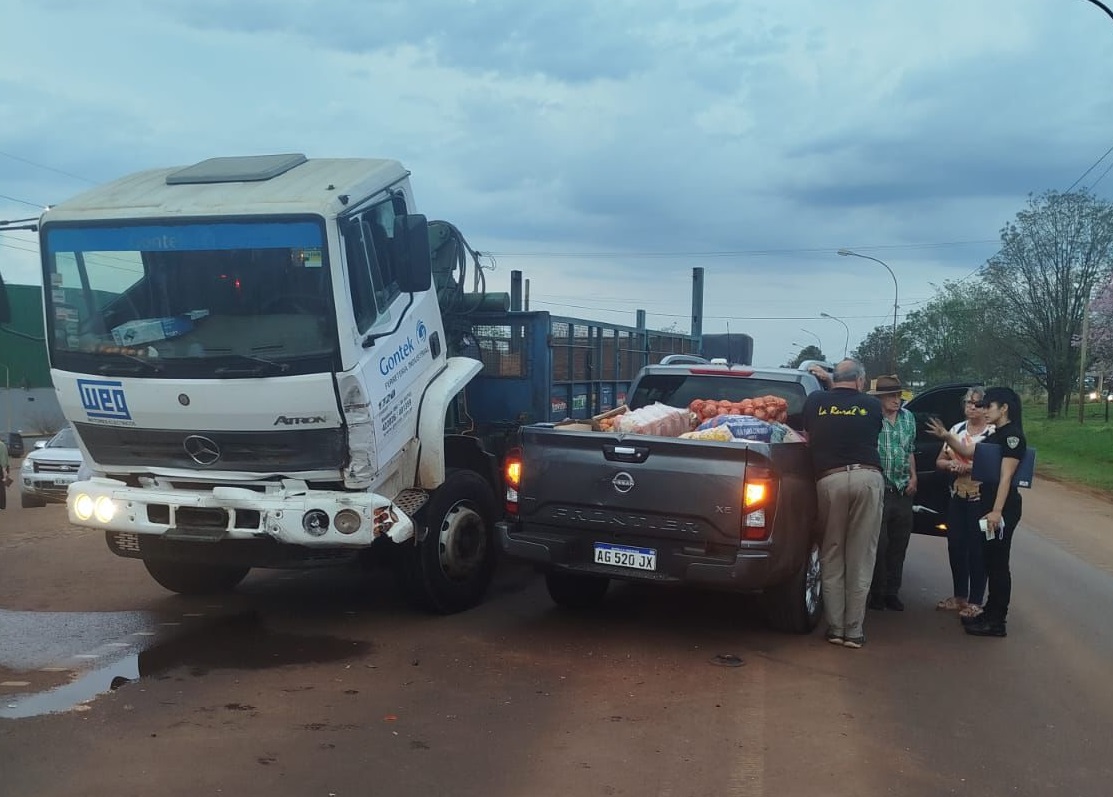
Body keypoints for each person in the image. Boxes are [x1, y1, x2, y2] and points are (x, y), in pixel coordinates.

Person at [927, 386, 1026, 637]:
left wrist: (996, 512)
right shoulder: (997, 435)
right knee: (991, 560)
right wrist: (946, 436)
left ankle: (997, 621)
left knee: (998, 564)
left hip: (999, 509)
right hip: (986, 507)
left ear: (1004, 408)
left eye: (988, 406)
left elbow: (1006, 478)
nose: (984, 410)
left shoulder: (1012, 437)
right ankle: (989, 614)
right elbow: (969, 452)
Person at [802, 359, 884, 649]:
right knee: (860, 556)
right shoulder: (873, 406)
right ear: (861, 381)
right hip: (867, 478)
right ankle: (854, 631)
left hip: (830, 480)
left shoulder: (814, 401)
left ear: (832, 379)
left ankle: (835, 629)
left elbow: (810, 434)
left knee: (832, 552)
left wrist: (826, 383)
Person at [934, 387, 993, 620]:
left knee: (978, 550)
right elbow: (939, 460)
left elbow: (995, 467)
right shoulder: (956, 429)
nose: (971, 407)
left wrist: (968, 468)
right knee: (955, 545)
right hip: (957, 495)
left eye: (977, 404)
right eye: (968, 402)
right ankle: (960, 595)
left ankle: (976, 600)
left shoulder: (992, 432)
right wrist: (950, 466)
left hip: (981, 498)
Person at [866, 375, 917, 612]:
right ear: (880, 399)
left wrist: (914, 476)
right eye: (891, 396)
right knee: (880, 543)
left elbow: (909, 451)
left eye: (898, 396)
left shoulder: (909, 419)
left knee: (899, 543)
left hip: (903, 489)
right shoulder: (873, 419)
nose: (896, 400)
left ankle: (891, 592)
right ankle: (876, 592)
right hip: (881, 488)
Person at [0, 436, 10, 511]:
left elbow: (3, 459)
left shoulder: (1, 445)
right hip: (3, 467)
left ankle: (2, 505)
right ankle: (2, 505)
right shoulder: (2, 444)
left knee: (1, 486)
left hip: (1, 467)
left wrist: (4, 471)